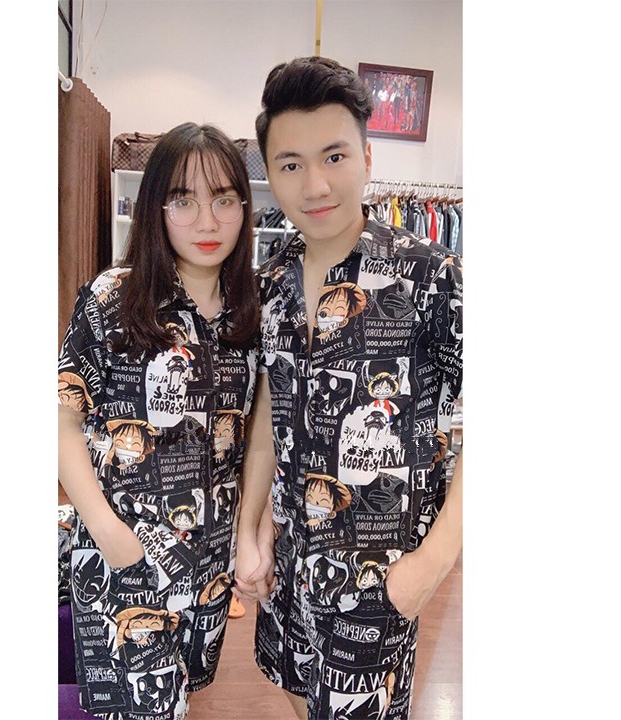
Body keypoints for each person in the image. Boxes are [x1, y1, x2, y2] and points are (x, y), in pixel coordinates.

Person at [234, 56, 463, 720]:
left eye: (334, 156)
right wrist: (250, 529)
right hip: (288, 566)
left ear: (365, 156)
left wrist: (431, 565)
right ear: (270, 173)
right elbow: (269, 413)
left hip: (377, 581)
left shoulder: (430, 278)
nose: (315, 185)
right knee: (291, 694)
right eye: (291, 164)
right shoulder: (271, 281)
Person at [58, 121, 259, 720]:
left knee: (183, 699)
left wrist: (247, 536)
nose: (206, 221)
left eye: (224, 199)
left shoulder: (252, 313)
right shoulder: (113, 298)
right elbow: (60, 420)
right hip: (125, 556)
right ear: (155, 207)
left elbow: (255, 435)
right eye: (183, 200)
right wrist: (107, 531)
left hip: (210, 565)